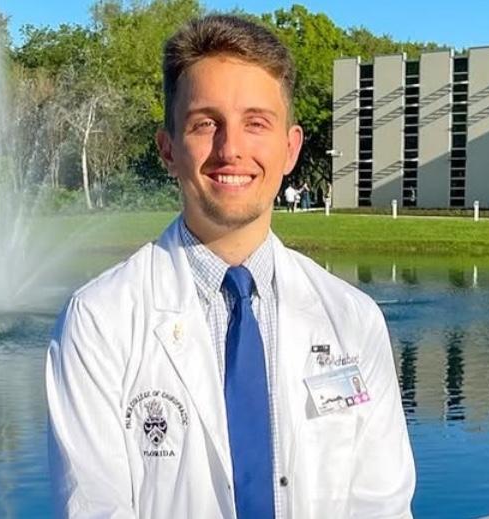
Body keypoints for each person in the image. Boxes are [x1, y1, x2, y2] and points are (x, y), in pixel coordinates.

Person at [46, 14, 415, 519]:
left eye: (256, 123)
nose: (231, 149)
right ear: (168, 149)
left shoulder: (354, 320)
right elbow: (94, 510)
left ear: (290, 148)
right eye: (205, 123)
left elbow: (381, 508)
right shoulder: (98, 322)